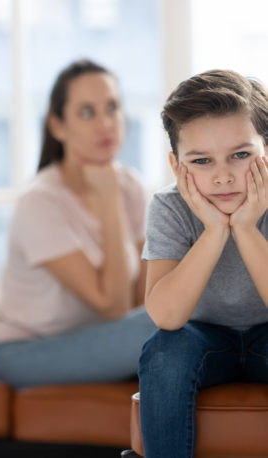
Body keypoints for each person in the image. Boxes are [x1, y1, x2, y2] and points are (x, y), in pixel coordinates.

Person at [0, 59, 156, 389]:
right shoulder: (40, 201)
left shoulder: (133, 187)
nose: (105, 123)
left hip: (90, 339)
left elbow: (141, 299)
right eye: (87, 113)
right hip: (15, 351)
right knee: (162, 324)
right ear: (58, 126)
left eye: (112, 108)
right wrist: (108, 199)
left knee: (171, 316)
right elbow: (113, 307)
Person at [138, 69, 268, 457]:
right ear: (177, 167)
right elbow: (166, 316)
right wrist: (214, 230)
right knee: (163, 352)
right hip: (205, 336)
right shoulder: (169, 206)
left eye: (241, 155)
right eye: (202, 161)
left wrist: (245, 228)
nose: (223, 177)